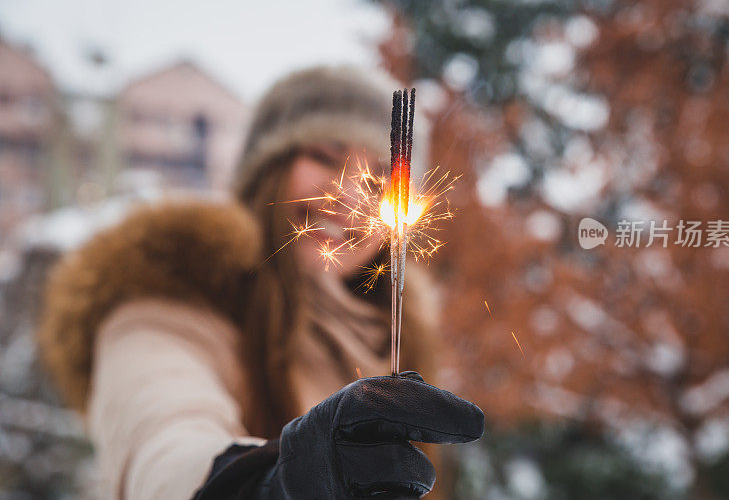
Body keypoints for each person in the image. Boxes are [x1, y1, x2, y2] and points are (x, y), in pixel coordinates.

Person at [38, 66, 484, 499]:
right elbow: (163, 444)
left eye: (380, 176)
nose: (348, 195)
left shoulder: (394, 345)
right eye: (325, 156)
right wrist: (262, 484)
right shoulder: (165, 309)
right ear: (265, 170)